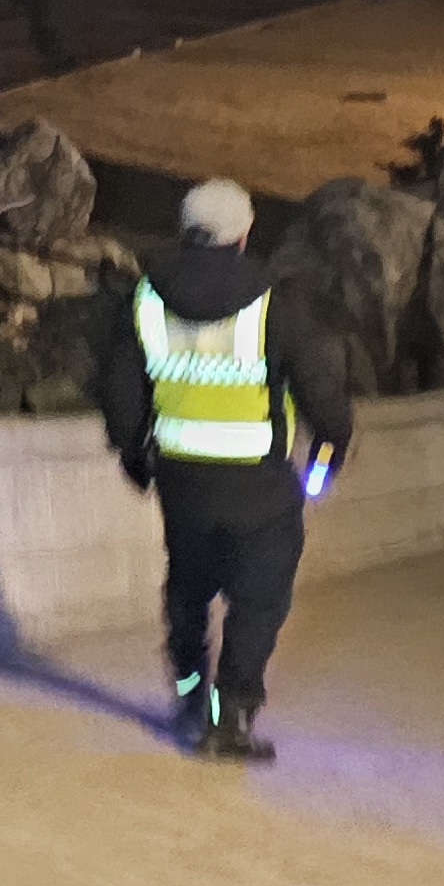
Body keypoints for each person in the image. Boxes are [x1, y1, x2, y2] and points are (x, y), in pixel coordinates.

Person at [94, 179, 353, 763]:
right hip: (259, 487)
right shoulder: (275, 303)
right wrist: (323, 463)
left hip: (181, 480)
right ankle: (230, 715)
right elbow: (325, 400)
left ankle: (190, 694)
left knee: (187, 587)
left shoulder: (144, 297)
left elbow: (119, 391)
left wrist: (137, 459)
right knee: (259, 599)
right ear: (243, 234)